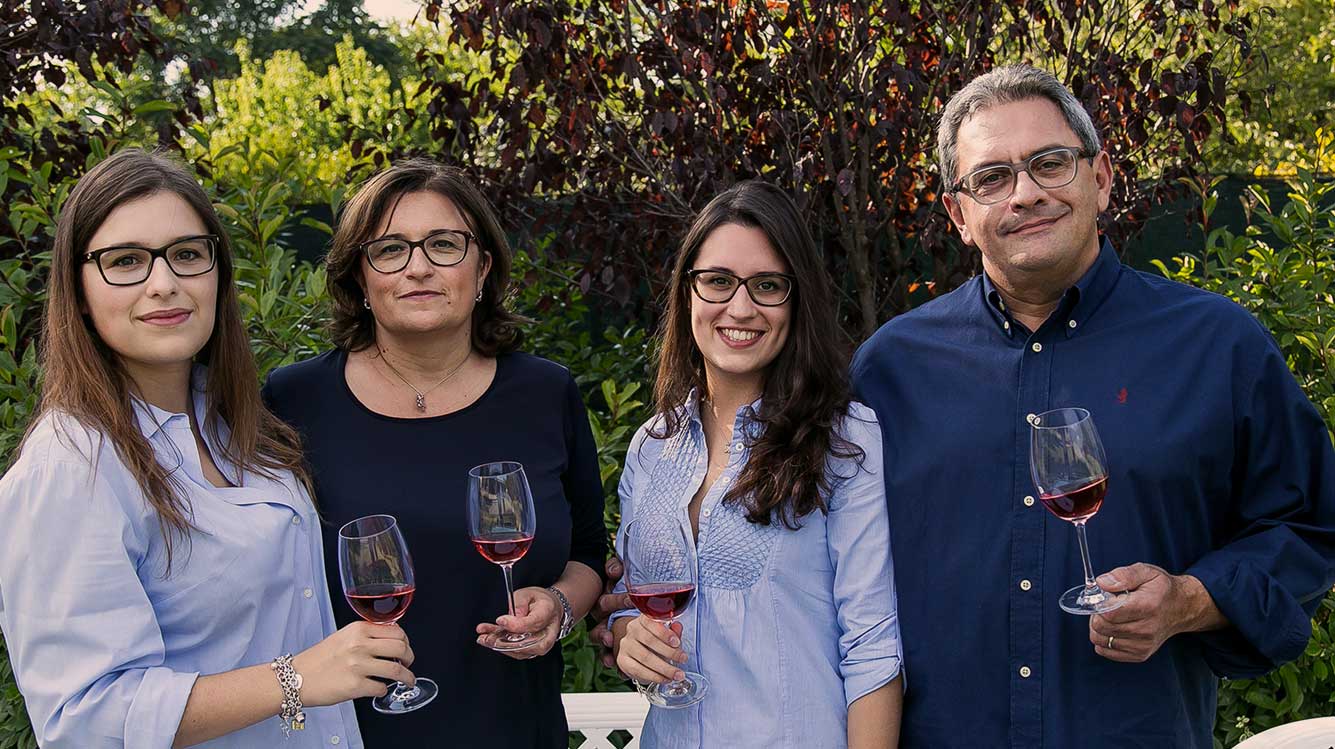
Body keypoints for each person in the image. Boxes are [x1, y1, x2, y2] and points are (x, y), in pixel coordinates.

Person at [849, 65, 1335, 747]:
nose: (1025, 194)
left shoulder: (1217, 346)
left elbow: (1308, 526)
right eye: (991, 178)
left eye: (1049, 163)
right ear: (959, 215)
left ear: (1100, 178)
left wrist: (1190, 599)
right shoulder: (889, 370)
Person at [0, 149, 417, 748]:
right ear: (80, 291)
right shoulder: (72, 467)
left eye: (188, 254)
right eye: (125, 261)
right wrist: (296, 679)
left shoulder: (236, 426)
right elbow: (85, 717)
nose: (164, 283)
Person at [262, 158, 606, 746]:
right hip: (350, 734)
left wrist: (560, 604)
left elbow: (588, 554)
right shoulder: (293, 400)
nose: (418, 267)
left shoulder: (545, 393)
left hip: (515, 729)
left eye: (444, 245)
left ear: (483, 267)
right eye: (390, 249)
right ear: (360, 278)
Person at [610, 181, 903, 747]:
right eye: (718, 281)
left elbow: (873, 648)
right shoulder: (652, 446)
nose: (740, 308)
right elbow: (631, 604)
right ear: (687, 293)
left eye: (767, 285)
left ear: (796, 301)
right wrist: (628, 638)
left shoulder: (845, 441)